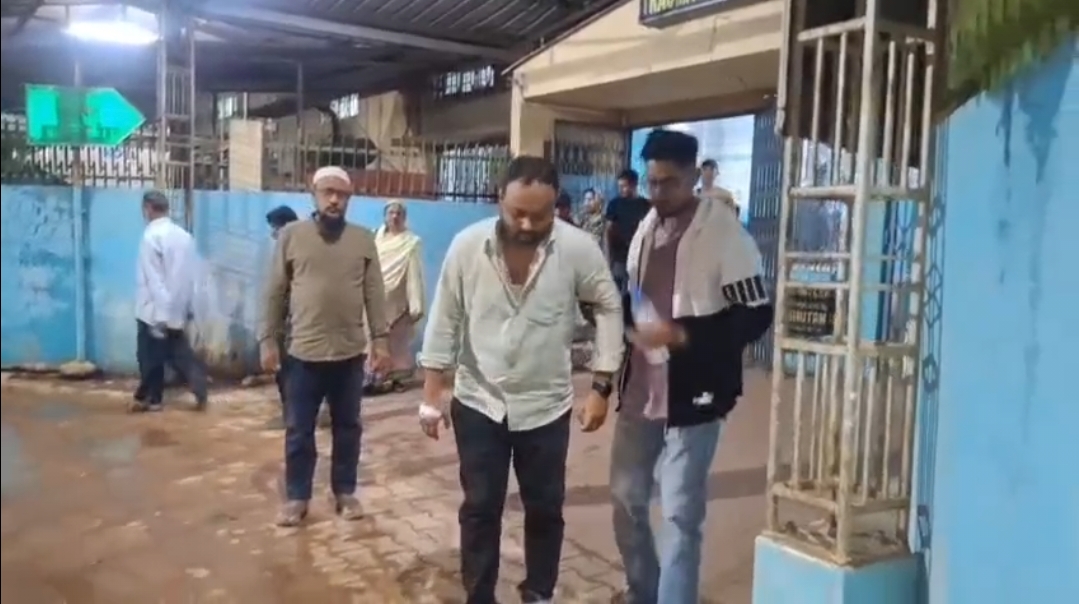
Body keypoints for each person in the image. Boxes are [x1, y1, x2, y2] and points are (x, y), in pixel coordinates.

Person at [417, 155, 624, 604]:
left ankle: (539, 592)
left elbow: (608, 306)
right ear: (499, 200)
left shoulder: (577, 249)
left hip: (546, 407)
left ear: (557, 206)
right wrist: (431, 395)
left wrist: (601, 385)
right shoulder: (467, 247)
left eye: (541, 215)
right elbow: (445, 318)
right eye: (517, 213)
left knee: (545, 508)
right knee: (480, 508)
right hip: (479, 401)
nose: (528, 225)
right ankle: (480, 595)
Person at [610, 130, 773, 604]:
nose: (658, 192)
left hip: (694, 394)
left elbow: (756, 314)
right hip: (640, 389)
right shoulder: (646, 226)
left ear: (692, 177)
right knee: (626, 498)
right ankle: (643, 590)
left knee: (680, 516)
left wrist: (684, 335)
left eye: (669, 183)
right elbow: (633, 295)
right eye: (652, 182)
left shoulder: (723, 233)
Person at [259, 165, 391, 527]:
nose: (334, 200)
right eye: (327, 192)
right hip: (303, 354)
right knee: (299, 430)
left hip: (349, 354)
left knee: (348, 427)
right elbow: (275, 291)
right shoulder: (292, 236)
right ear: (313, 194)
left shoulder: (362, 239)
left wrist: (380, 341)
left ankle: (344, 491)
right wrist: (268, 339)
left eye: (342, 194)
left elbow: (374, 293)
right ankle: (297, 497)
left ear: (349, 199)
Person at [131, 190, 209, 413]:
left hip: (154, 310)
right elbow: (192, 275)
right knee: (179, 352)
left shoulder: (151, 237)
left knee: (149, 356)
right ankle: (198, 387)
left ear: (148, 209)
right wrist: (189, 306)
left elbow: (154, 279)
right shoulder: (184, 237)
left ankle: (152, 398)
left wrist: (161, 315)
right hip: (179, 306)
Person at [262, 205, 330, 431]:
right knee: (287, 372)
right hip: (288, 322)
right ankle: (293, 414)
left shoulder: (302, 249)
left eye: (275, 228)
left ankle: (300, 415)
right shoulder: (286, 249)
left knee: (297, 372)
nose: (273, 234)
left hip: (302, 322)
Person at [364, 200, 425, 394]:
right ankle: (374, 378)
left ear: (404, 217)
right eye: (391, 213)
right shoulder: (375, 238)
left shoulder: (411, 242)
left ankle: (397, 377)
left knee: (396, 342)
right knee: (374, 339)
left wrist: (415, 302)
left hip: (398, 299)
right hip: (375, 296)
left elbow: (414, 273)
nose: (395, 216)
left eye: (399, 213)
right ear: (385, 216)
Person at [605, 169, 651, 294]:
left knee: (635, 294)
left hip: (638, 258)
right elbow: (608, 232)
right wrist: (608, 258)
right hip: (619, 258)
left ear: (634, 185)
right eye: (619, 186)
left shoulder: (645, 205)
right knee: (617, 293)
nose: (621, 189)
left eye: (624, 186)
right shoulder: (614, 204)